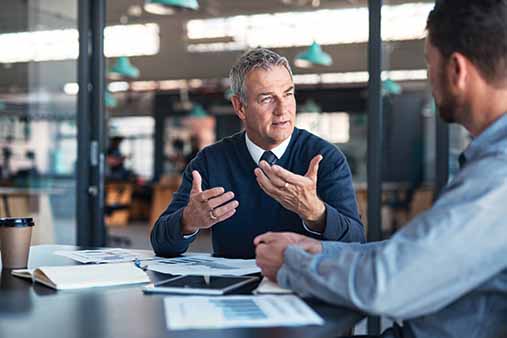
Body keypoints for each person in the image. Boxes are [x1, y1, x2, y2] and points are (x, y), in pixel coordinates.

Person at [255, 1, 507, 337]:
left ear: (457, 70)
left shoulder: (498, 173)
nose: (429, 78)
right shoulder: (488, 162)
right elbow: (416, 254)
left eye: (429, 66)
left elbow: (389, 283)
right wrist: (319, 249)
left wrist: (291, 263)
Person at [151, 48, 365, 259]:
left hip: (301, 285)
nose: (283, 109)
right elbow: (160, 243)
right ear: (240, 107)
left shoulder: (325, 158)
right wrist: (187, 220)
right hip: (231, 289)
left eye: (288, 94)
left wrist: (316, 213)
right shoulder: (210, 162)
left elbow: (357, 243)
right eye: (267, 99)